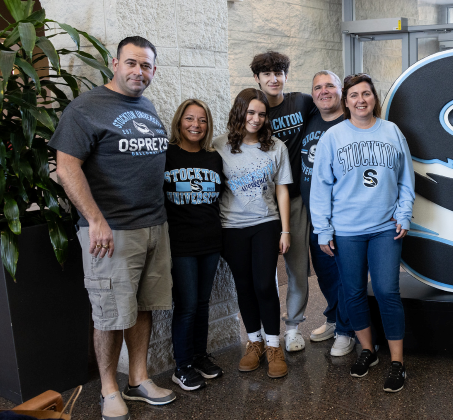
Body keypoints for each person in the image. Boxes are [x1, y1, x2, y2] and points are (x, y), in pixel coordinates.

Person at [51, 36, 177, 420]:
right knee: (109, 314)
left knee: (143, 307)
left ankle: (138, 380)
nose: (139, 72)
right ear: (115, 63)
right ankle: (109, 388)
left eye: (147, 66)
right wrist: (95, 220)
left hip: (153, 224)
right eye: (132, 63)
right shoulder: (86, 108)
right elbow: (66, 166)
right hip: (111, 231)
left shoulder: (146, 105)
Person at [311, 73, 415, 393]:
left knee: (386, 291)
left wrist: (404, 214)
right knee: (353, 292)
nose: (360, 100)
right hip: (346, 230)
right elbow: (321, 186)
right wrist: (323, 229)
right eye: (354, 95)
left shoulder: (392, 132)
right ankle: (368, 351)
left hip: (385, 227)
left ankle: (397, 362)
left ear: (374, 99)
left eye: (366, 94)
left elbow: (406, 179)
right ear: (346, 101)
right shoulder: (333, 137)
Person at [212, 88, 293, 379]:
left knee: (264, 285)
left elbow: (282, 189)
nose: (256, 119)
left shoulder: (276, 147)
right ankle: (254, 342)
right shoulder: (218, 146)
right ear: (239, 112)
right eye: (251, 113)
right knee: (243, 286)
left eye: (261, 114)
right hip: (230, 228)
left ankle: (274, 345)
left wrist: (285, 229)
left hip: (265, 224)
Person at [250, 52, 316, 352]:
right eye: (267, 74)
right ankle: (267, 330)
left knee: (297, 267)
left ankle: (292, 327)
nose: (274, 78)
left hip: (296, 198)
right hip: (263, 202)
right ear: (257, 79)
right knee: (264, 272)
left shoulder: (301, 102)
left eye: (279, 72)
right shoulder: (255, 112)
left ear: (286, 76)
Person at [163, 99, 224, 391]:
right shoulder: (167, 155)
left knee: (202, 304)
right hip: (180, 244)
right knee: (186, 306)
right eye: (189, 119)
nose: (195, 125)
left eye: (201, 120)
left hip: (210, 242)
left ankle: (200, 356)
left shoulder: (213, 157)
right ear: (179, 122)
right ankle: (182, 365)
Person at [300, 70, 356, 357]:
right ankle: (335, 319)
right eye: (318, 87)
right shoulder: (309, 120)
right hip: (316, 216)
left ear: (341, 91)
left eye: (330, 86)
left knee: (346, 276)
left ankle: (347, 330)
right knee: (325, 275)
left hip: (346, 218)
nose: (324, 91)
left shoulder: (351, 122)